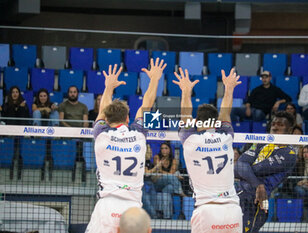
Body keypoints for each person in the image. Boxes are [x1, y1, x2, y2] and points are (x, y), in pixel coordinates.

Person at [85, 58, 166, 233]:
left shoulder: (101, 134)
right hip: (132, 209)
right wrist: (154, 80)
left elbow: (102, 110)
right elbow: (147, 105)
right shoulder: (138, 135)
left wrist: (109, 87)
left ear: (106, 119)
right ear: (128, 119)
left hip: (106, 205)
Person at [176, 67, 243, 233]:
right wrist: (229, 88)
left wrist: (185, 91)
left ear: (197, 121)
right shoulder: (227, 137)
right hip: (233, 210)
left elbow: (185, 115)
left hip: (207, 210)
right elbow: (225, 114)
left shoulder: (190, 139)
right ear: (217, 122)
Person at [234, 111, 297, 233]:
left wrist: (247, 170)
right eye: (273, 123)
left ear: (289, 130)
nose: (274, 126)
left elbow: (256, 169)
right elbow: (239, 167)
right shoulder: (261, 143)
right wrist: (259, 184)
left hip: (257, 201)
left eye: (280, 124)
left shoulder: (289, 154)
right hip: (239, 195)